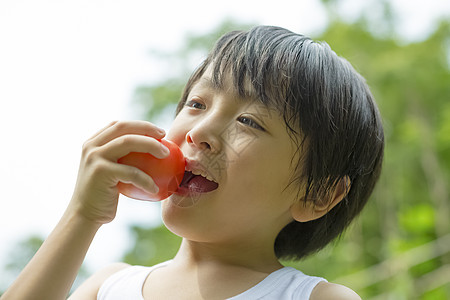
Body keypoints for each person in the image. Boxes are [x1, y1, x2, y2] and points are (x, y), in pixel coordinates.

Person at [2, 25, 384, 299]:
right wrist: (82, 216)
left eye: (249, 122)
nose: (198, 131)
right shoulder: (110, 286)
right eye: (197, 104)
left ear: (318, 193)